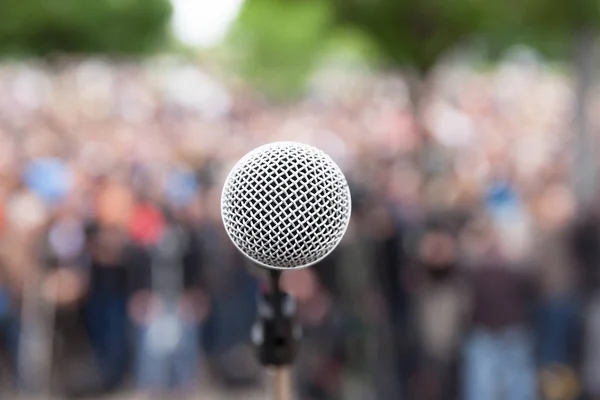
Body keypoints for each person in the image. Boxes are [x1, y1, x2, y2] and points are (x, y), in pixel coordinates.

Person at [461, 217, 537, 400]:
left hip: (513, 333)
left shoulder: (516, 267)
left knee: (519, 388)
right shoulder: (469, 268)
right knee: (482, 389)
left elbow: (534, 288)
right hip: (483, 334)